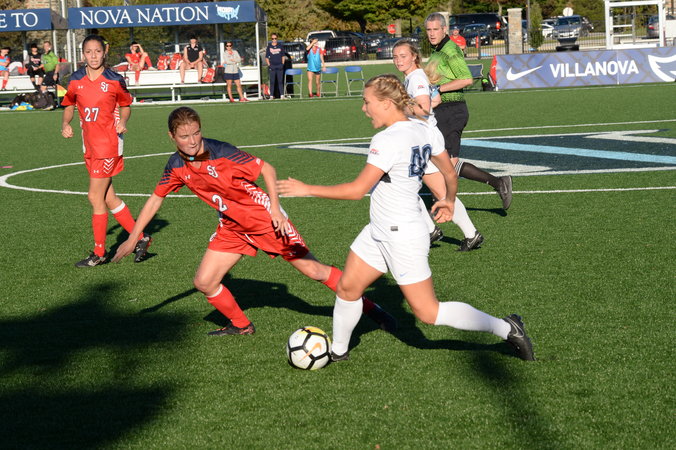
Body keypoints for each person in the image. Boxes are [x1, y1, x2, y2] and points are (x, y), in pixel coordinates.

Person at [277, 74, 535, 362]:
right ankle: (338, 351)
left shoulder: (386, 140)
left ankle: (507, 328)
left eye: (367, 102)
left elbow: (357, 190)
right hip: (379, 229)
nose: (364, 108)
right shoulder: (422, 128)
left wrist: (307, 189)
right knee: (348, 288)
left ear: (386, 104)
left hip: (402, 236)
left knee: (428, 312)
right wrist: (448, 200)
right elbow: (449, 172)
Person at [112, 106, 396, 336]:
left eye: (196, 133)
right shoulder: (176, 166)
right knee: (204, 281)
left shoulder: (222, 152)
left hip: (264, 220)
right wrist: (134, 237)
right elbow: (155, 199)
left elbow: (267, 169)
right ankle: (241, 325)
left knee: (315, 271)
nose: (193, 141)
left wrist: (275, 209)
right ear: (171, 136)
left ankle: (373, 309)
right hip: (232, 227)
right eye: (184, 136)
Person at [61, 34, 152, 267]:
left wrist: (123, 121)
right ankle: (141, 238)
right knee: (108, 197)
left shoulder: (114, 80)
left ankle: (99, 252)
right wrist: (65, 123)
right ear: (83, 54)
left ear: (104, 53)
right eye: (88, 52)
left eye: (97, 51)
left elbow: (126, 105)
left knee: (94, 196)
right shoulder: (75, 79)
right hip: (89, 144)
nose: (93, 56)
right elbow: (69, 104)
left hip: (108, 144)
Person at [393, 38, 483, 252]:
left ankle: (466, 234)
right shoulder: (414, 76)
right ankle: (440, 231)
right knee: (408, 186)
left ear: (414, 56)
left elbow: (424, 109)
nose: (398, 60)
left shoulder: (416, 78)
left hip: (424, 140)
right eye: (395, 57)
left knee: (428, 190)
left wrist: (396, 109)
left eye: (403, 56)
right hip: (423, 138)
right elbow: (436, 101)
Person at [425, 13, 513, 210]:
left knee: (446, 164)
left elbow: (466, 79)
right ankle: (497, 183)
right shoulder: (437, 50)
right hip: (442, 111)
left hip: (451, 111)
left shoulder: (450, 51)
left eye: (435, 29)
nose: (432, 33)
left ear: (444, 29)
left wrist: (438, 89)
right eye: (429, 30)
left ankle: (497, 184)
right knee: (442, 162)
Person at [265, 33, 285, 99]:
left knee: (280, 81)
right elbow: (266, 57)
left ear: (277, 39)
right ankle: (271, 95)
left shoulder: (280, 46)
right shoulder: (269, 47)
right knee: (272, 81)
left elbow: (283, 56)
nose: (274, 40)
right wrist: (269, 65)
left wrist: (282, 64)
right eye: (272, 39)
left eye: (275, 38)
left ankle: (282, 95)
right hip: (272, 66)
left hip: (279, 66)